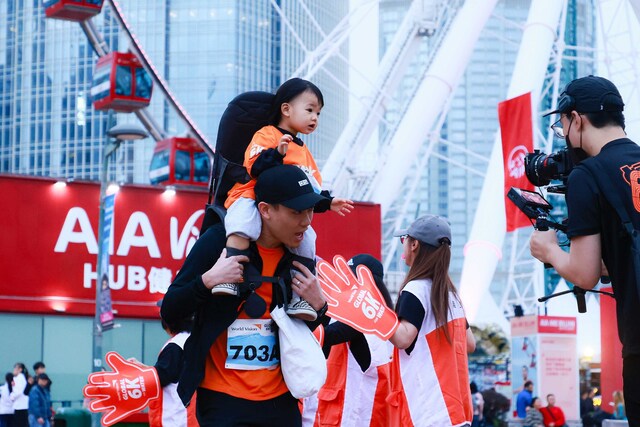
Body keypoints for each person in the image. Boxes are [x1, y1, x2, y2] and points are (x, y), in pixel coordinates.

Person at [161, 164, 329, 427]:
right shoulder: (219, 241)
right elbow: (170, 309)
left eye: (310, 210)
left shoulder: (299, 256)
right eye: (296, 212)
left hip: (281, 401)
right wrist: (208, 281)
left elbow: (302, 331)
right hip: (222, 401)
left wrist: (319, 307)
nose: (306, 221)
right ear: (265, 210)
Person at [530, 75, 640, 424]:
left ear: (576, 119)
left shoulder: (587, 175)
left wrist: (549, 250)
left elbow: (584, 273)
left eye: (562, 125)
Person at [217, 78, 353, 321]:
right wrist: (277, 153)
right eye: (310, 110)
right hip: (251, 194)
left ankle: (300, 296)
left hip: (286, 206)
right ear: (286, 109)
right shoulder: (267, 134)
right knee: (242, 223)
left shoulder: (305, 152)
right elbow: (254, 167)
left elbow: (308, 188)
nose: (315, 118)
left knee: (308, 241)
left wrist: (327, 202)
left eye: (318, 113)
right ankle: (230, 275)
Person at [388, 215, 473, 426]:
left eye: (405, 239)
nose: (404, 244)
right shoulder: (452, 295)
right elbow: (470, 344)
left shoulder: (415, 290)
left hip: (427, 411)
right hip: (458, 411)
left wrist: (373, 315)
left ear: (414, 244)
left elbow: (403, 339)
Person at [302, 254, 394, 427]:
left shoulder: (364, 320)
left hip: (357, 417)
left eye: (351, 279)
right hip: (358, 415)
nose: (344, 285)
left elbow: (321, 337)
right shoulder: (386, 320)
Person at [148, 312, 199, 427]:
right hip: (191, 418)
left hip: (175, 418)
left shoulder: (176, 345)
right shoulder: (194, 340)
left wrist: (138, 372)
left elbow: (159, 378)